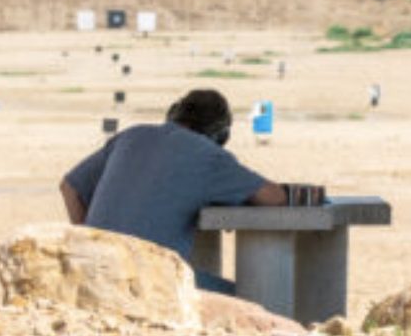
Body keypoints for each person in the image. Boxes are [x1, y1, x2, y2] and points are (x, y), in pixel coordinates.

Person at [60, 89, 286, 294]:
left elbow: (69, 187)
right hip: (151, 279)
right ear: (221, 134)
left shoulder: (132, 135)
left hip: (93, 272)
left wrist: (88, 240)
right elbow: (275, 197)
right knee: (250, 297)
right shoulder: (209, 155)